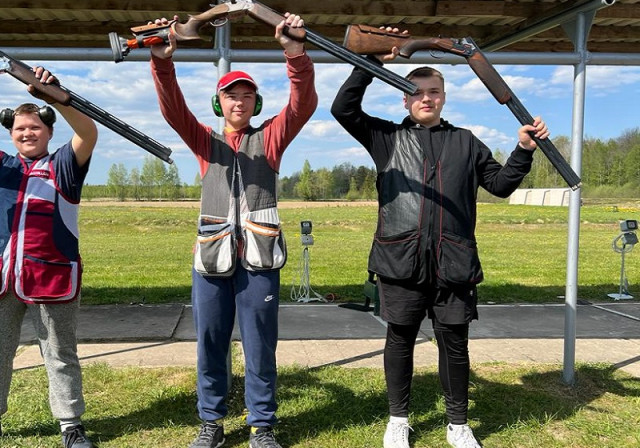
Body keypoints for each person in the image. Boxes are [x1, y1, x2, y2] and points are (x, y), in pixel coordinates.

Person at [330, 28, 549, 448]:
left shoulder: (466, 142)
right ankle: (398, 419)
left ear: (443, 96)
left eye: (433, 91)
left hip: (453, 264)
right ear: (405, 98)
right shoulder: (386, 138)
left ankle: (457, 424)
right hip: (400, 261)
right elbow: (344, 108)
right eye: (417, 92)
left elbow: (500, 185)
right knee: (400, 340)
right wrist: (374, 62)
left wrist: (523, 150)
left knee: (455, 345)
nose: (426, 98)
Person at [149, 11, 318, 448]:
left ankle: (262, 425)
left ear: (256, 104)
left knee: (261, 345)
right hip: (212, 258)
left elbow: (303, 105)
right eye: (230, 96)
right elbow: (173, 112)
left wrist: (295, 55)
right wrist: (161, 63)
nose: (239, 103)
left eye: (246, 96)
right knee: (210, 343)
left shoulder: (272, 139)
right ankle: (212, 422)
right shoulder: (205, 141)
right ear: (219, 103)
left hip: (260, 260)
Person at [0, 65, 98, 448]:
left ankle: (70, 425)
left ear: (49, 132)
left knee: (60, 356)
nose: (28, 133)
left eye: (35, 128)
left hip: (52, 278)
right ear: (11, 134)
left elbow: (88, 132)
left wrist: (55, 96)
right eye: (20, 129)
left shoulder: (64, 164)